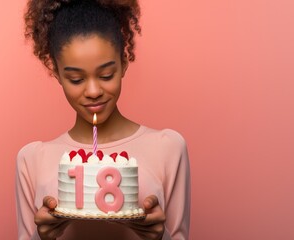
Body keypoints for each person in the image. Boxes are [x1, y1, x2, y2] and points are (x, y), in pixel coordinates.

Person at [16, 0, 190, 239]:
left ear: (124, 63)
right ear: (57, 73)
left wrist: (159, 236)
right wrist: (42, 237)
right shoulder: (32, 160)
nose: (93, 90)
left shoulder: (168, 147)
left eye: (107, 75)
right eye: (76, 79)